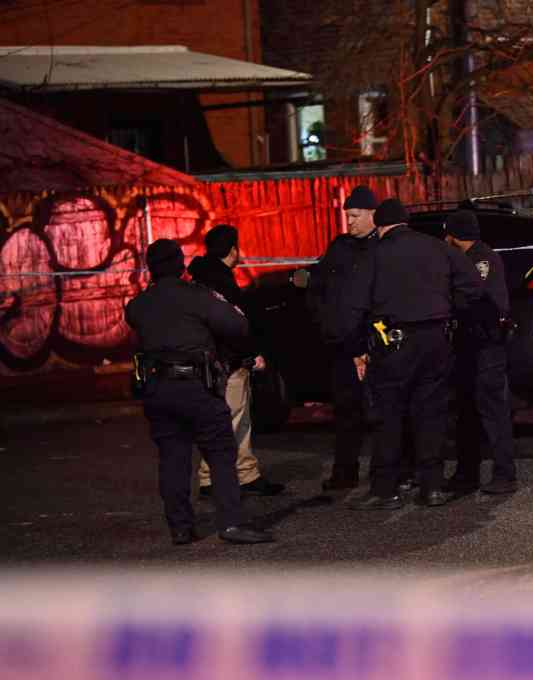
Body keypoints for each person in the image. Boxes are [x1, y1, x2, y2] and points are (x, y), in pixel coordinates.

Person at [124, 239, 274, 545]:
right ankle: (231, 524)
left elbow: (137, 323)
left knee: (172, 458)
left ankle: (180, 527)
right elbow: (237, 325)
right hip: (197, 387)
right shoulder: (197, 296)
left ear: (150, 269)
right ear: (181, 265)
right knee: (220, 453)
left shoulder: (139, 304)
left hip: (158, 389)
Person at [338, 199, 484, 509]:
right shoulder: (438, 249)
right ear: (406, 221)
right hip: (435, 339)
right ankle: (431, 487)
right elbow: (473, 286)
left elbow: (353, 307)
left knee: (388, 416)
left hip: (392, 340)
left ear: (380, 224)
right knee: (431, 414)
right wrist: (447, 310)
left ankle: (385, 489)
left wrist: (357, 349)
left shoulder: (373, 254)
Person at [188, 224, 285, 498]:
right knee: (228, 421)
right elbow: (235, 325)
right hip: (226, 364)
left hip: (211, 362)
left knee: (236, 420)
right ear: (232, 249)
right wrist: (250, 355)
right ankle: (214, 479)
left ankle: (244, 474)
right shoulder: (221, 282)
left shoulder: (200, 279)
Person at [307, 185, 380, 490]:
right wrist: (328, 326)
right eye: (347, 216)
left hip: (376, 347)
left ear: (372, 214)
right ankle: (345, 472)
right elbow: (318, 290)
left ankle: (387, 474)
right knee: (346, 412)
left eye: (354, 216)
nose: (349, 222)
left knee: (383, 414)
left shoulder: (383, 248)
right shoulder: (340, 247)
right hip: (342, 345)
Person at [443, 210, 518, 495]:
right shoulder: (479, 256)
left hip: (485, 347)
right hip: (471, 347)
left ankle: (504, 474)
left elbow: (476, 303)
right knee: (467, 412)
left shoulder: (479, 260)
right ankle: (467, 473)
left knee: (492, 412)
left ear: (452, 235)